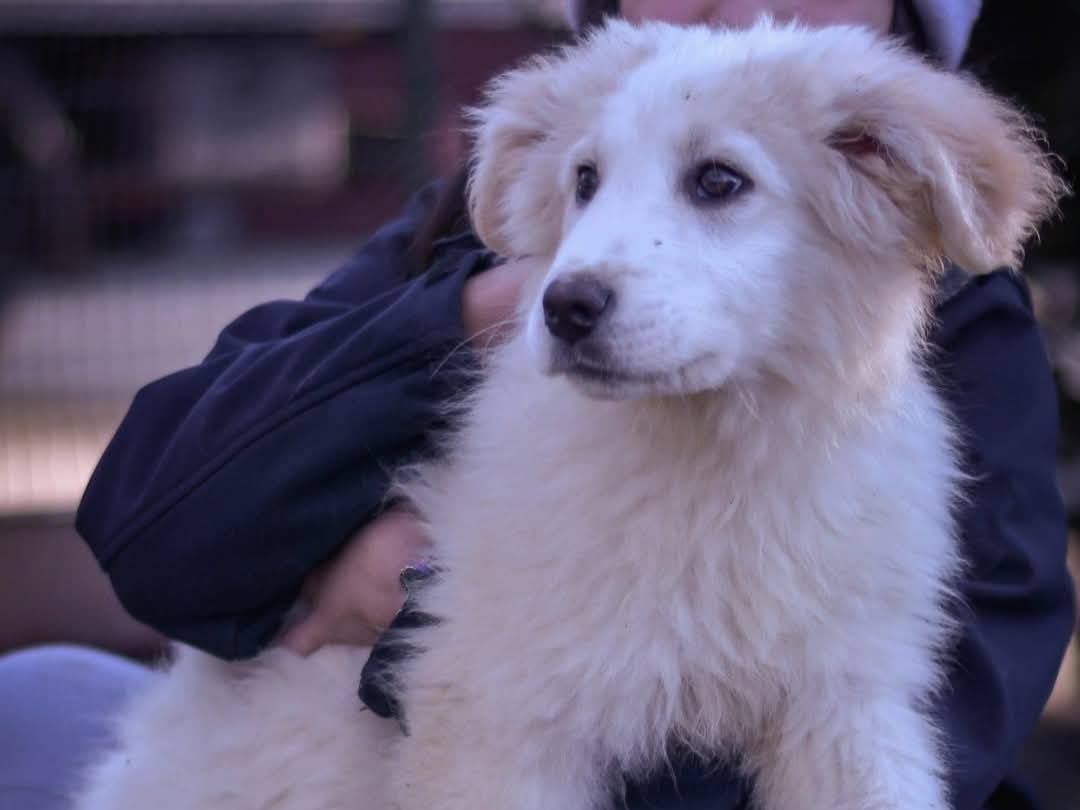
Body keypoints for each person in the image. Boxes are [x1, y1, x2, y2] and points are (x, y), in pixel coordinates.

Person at [0, 1, 1072, 809]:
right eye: (592, 182)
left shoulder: (964, 344)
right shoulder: (473, 264)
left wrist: (414, 613)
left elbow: (886, 728)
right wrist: (459, 313)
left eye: (717, 185)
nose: (713, 5)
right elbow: (156, 512)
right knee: (35, 700)